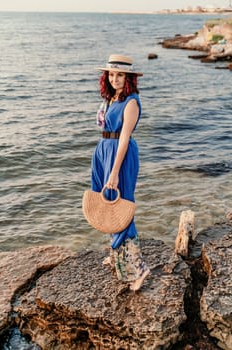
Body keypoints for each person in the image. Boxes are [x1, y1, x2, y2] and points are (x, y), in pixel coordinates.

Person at [91, 54, 150, 291]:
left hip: (120, 155)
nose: (115, 79)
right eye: (111, 74)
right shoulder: (112, 98)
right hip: (104, 150)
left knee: (122, 203)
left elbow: (124, 139)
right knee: (107, 203)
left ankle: (138, 268)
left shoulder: (131, 102)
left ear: (129, 78)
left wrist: (114, 171)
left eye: (120, 75)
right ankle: (117, 255)